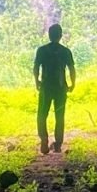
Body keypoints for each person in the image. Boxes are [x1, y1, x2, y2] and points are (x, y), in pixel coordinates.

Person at [33, 23, 75, 155]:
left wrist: (37, 81)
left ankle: (44, 139)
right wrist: (72, 83)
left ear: (49, 35)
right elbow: (71, 69)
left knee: (42, 114)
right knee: (59, 116)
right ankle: (58, 144)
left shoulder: (42, 50)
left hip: (46, 87)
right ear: (60, 36)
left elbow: (36, 68)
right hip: (61, 87)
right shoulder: (65, 51)